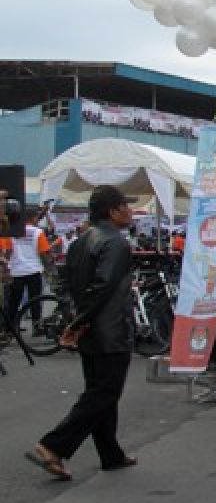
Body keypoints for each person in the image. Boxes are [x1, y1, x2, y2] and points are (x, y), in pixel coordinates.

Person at [26, 186, 136, 480]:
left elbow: (70, 283)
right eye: (126, 205)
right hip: (107, 327)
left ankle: (110, 453)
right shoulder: (115, 243)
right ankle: (53, 445)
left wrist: (77, 321)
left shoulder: (80, 240)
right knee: (104, 392)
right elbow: (103, 287)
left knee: (100, 391)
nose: (130, 211)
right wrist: (79, 322)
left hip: (91, 326)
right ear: (113, 211)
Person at [4, 207, 53, 327]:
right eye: (37, 217)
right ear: (33, 217)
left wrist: (7, 267)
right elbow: (43, 253)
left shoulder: (13, 231)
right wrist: (49, 269)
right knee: (35, 299)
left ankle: (9, 327)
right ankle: (37, 326)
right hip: (33, 270)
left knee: (14, 300)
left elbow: (8, 251)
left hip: (17, 271)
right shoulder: (37, 232)